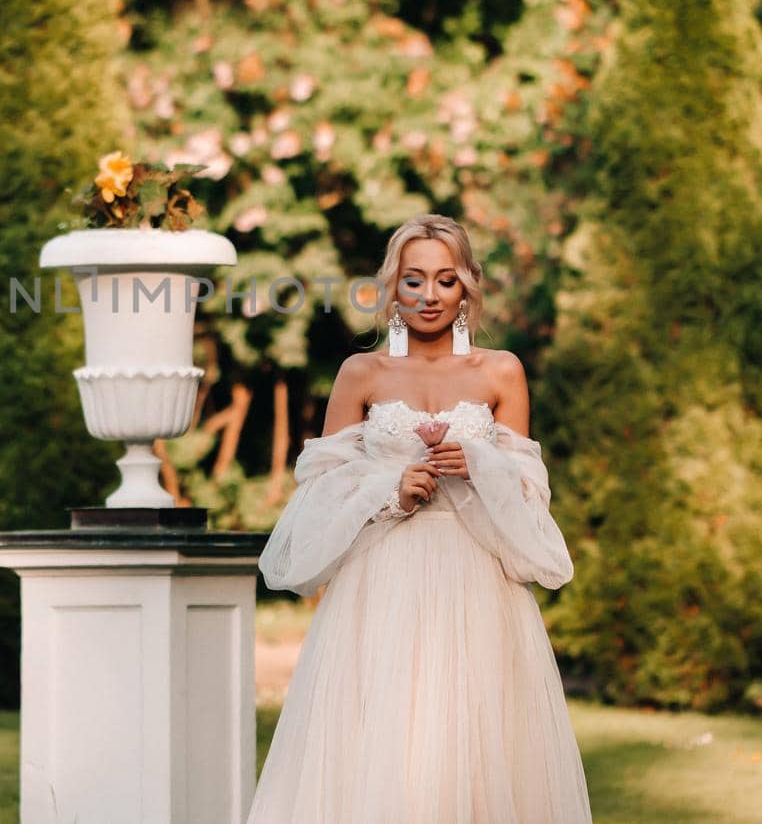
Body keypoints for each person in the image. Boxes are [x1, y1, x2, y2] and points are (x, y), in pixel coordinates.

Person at [247, 214, 594, 823]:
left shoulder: (500, 371)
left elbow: (528, 495)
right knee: (381, 746)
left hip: (477, 585)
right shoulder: (362, 373)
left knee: (473, 746)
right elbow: (320, 493)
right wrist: (391, 488)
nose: (428, 296)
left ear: (467, 287)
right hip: (380, 585)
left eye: (444, 279)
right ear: (392, 287)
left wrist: (479, 462)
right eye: (413, 280)